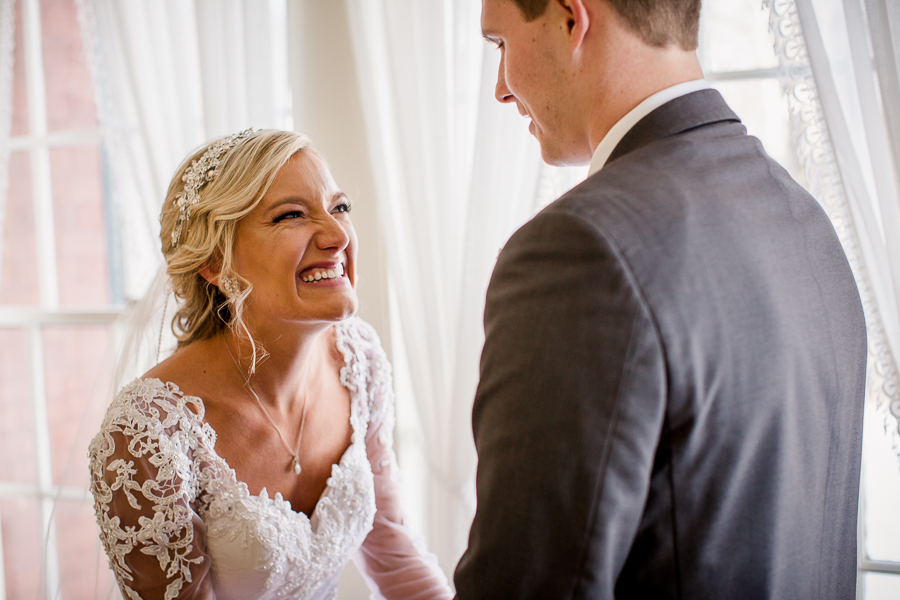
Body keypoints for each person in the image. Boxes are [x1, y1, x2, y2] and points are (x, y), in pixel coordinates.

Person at [454, 0, 867, 598]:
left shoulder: (577, 250)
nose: (499, 89)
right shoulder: (803, 217)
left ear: (573, 19)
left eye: (499, 45)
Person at [88, 129, 453, 600]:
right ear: (215, 262)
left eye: (340, 207)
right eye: (292, 215)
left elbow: (392, 547)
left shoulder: (358, 359)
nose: (339, 235)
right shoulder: (148, 436)